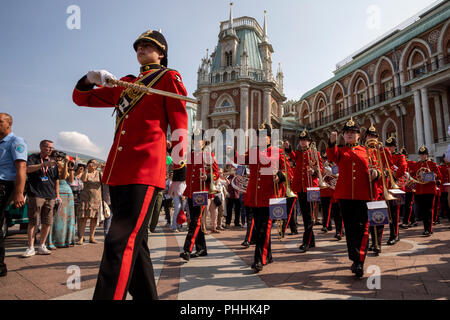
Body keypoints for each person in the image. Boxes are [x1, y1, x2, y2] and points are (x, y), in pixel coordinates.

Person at [72, 29, 188, 300]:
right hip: (118, 171)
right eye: (138, 46)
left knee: (119, 242)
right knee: (137, 244)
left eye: (149, 46)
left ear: (161, 53)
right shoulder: (125, 83)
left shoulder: (168, 78)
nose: (141, 49)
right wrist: (89, 78)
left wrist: (180, 170)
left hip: (145, 169)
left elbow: (180, 125)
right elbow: (81, 99)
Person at [327, 118, 379, 278]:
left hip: (363, 195)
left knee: (363, 228)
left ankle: (359, 261)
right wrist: (331, 142)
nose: (350, 135)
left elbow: (377, 167)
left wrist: (376, 173)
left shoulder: (368, 151)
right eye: (347, 132)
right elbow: (331, 155)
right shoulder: (340, 151)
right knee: (349, 229)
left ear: (358, 135)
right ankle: (355, 258)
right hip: (345, 196)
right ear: (343, 135)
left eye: (353, 132)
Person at [241, 123, 288, 273]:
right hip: (255, 197)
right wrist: (231, 153)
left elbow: (287, 171)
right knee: (260, 228)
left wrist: (280, 176)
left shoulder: (277, 151)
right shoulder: (253, 151)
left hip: (270, 196)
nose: (261, 139)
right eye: (259, 136)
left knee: (263, 229)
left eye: (264, 136)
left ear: (269, 138)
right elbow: (242, 160)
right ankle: (268, 256)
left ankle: (259, 260)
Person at [180, 129, 219, 261]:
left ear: (203, 142)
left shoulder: (208, 155)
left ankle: (187, 249)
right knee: (195, 221)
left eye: (198, 140)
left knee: (195, 221)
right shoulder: (190, 155)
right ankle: (201, 248)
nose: (196, 142)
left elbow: (216, 173)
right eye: (194, 140)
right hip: (191, 192)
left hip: (201, 193)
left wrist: (207, 176)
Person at [287, 129, 323, 253]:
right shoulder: (298, 153)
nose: (303, 143)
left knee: (309, 216)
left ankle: (306, 241)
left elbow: (320, 169)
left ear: (309, 142)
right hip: (300, 188)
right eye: (301, 141)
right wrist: (288, 148)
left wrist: (314, 172)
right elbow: (292, 155)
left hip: (311, 187)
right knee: (306, 215)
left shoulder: (315, 153)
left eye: (305, 141)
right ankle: (311, 241)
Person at [0, 113, 27, 276]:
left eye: (0, 121)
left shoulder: (16, 141)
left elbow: (22, 168)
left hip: (4, 185)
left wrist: (19, 193)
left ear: (9, 124)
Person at [23, 140, 60, 257]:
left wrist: (57, 195)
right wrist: (43, 165)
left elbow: (56, 180)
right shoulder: (33, 157)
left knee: (47, 222)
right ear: (41, 146)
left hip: (50, 196)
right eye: (47, 147)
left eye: (51, 148)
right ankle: (30, 247)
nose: (49, 149)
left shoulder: (53, 162)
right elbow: (27, 169)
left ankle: (42, 246)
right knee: (33, 221)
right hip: (36, 194)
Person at [47, 152, 76, 248]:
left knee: (68, 218)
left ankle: (66, 240)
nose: (59, 159)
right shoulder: (51, 166)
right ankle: (53, 241)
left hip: (68, 193)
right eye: (57, 157)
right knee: (56, 218)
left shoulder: (64, 166)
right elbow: (61, 177)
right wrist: (63, 166)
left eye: (61, 158)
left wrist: (69, 167)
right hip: (57, 193)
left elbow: (70, 180)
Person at [411, 146, 441, 236]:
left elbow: (439, 175)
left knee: (428, 210)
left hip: (429, 190)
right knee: (423, 211)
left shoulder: (432, 164)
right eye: (421, 154)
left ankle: (429, 229)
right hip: (420, 191)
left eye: (424, 154)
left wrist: (431, 175)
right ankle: (426, 228)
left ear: (427, 155)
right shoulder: (417, 164)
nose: (422, 156)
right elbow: (413, 176)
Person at [384, 137, 407, 245]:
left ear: (395, 147)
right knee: (387, 213)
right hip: (385, 187)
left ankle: (395, 235)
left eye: (391, 147)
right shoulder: (383, 156)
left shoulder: (400, 156)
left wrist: (393, 175)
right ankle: (390, 234)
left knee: (394, 213)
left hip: (395, 187)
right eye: (387, 146)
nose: (389, 148)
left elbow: (403, 167)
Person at [78, 159, 102, 244]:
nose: (93, 164)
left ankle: (92, 237)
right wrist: (86, 170)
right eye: (91, 162)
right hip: (85, 198)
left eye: (95, 163)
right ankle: (81, 237)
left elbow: (105, 181)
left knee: (94, 219)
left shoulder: (99, 173)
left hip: (96, 198)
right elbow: (83, 180)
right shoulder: (85, 173)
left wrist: (102, 169)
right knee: (83, 218)